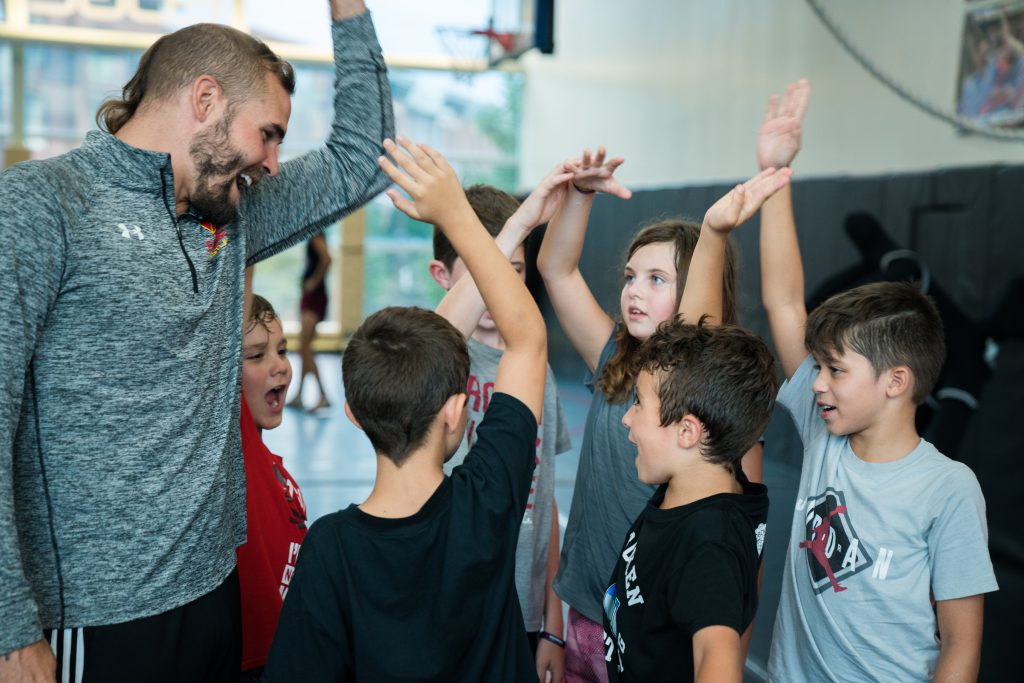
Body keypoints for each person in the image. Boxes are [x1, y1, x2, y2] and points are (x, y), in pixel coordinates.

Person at [0, 0, 393, 679]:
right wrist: (11, 626)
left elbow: (362, 157)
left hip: (214, 595)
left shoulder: (230, 215)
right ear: (205, 99)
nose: (273, 162)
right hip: (95, 616)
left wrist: (349, 9)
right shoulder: (43, 206)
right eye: (266, 133)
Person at [263, 135, 548, 681]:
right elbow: (528, 340)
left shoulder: (330, 550)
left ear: (353, 413)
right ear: (456, 412)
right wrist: (457, 214)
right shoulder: (487, 503)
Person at [758, 79, 999, 681]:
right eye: (818, 366)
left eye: (835, 370)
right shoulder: (823, 430)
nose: (817, 383)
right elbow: (785, 302)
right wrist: (774, 176)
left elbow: (961, 649)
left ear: (896, 381)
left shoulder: (948, 490)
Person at [536, 149, 787, 680]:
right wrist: (580, 195)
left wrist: (730, 658)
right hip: (585, 609)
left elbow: (743, 556)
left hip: (651, 634)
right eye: (630, 276)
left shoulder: (712, 406)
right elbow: (555, 269)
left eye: (656, 279)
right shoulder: (614, 358)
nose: (633, 290)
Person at [428, 173, 578, 683]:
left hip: (524, 612)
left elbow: (544, 499)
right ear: (442, 276)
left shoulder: (538, 372)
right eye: (481, 274)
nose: (499, 290)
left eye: (511, 271)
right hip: (447, 608)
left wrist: (553, 624)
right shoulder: (431, 363)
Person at [602, 318, 777, 683]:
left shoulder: (711, 544)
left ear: (686, 432)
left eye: (638, 404)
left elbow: (718, 651)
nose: (627, 420)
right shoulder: (695, 481)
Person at [237, 293, 307, 680]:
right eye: (256, 356)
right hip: (252, 665)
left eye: (282, 350)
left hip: (286, 656)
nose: (280, 366)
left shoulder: (275, 469)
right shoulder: (233, 453)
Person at [289, 233, 332, 411]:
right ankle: (299, 394)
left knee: (304, 348)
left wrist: (314, 281)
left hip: (314, 297)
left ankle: (323, 395)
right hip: (311, 296)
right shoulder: (313, 235)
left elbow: (328, 258)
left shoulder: (316, 234)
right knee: (304, 349)